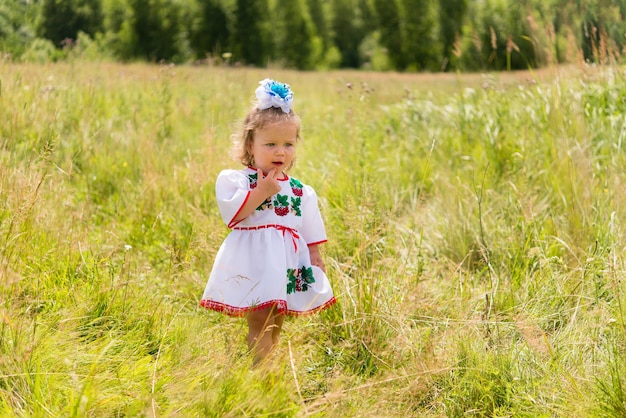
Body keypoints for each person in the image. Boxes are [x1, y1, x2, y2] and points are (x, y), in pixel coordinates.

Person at [200, 78, 336, 365]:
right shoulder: (238, 180)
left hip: (286, 265)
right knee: (259, 320)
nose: (280, 152)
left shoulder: (300, 189)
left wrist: (315, 256)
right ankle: (259, 374)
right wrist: (261, 191)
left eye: (288, 144)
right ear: (250, 144)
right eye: (270, 144)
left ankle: (267, 368)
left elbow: (309, 229)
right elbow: (235, 216)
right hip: (255, 262)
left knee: (275, 321)